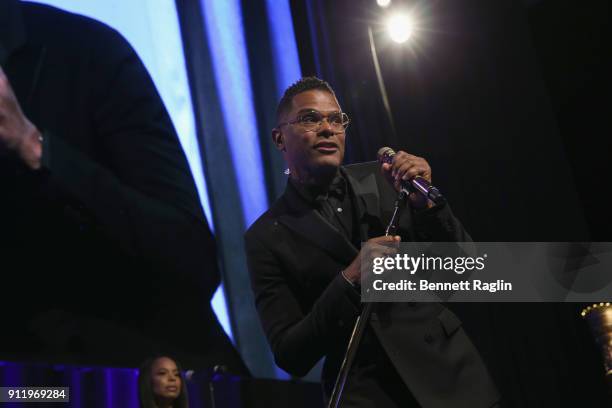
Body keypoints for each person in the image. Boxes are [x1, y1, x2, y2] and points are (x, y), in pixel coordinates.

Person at [0, 0, 247, 374]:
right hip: (28, 389)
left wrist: (33, 146)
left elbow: (192, 259)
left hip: (145, 382)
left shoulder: (84, 50)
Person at [245, 77, 499, 407]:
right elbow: (290, 353)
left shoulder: (390, 179)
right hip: (367, 395)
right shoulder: (266, 236)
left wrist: (429, 209)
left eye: (336, 119)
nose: (327, 128)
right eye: (310, 118)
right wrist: (349, 280)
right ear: (280, 138)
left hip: (452, 381)